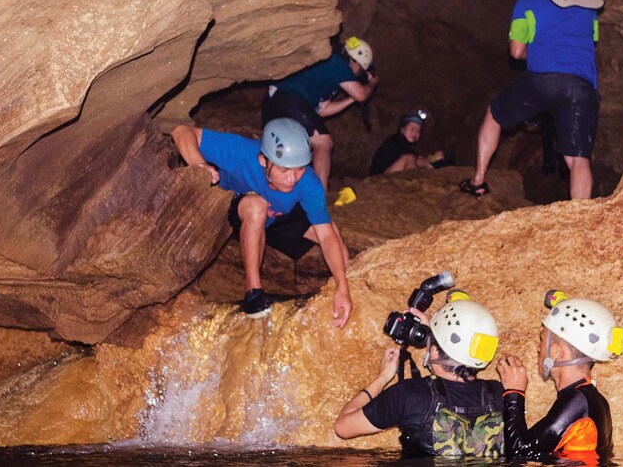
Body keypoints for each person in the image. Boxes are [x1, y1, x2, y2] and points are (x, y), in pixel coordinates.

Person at [170, 118, 352, 326]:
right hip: (236, 208)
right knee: (257, 206)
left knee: (333, 230)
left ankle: (347, 287)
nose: (292, 178)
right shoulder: (242, 153)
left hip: (277, 217)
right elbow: (181, 131)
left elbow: (326, 235)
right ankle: (253, 293)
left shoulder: (308, 182)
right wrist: (199, 165)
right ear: (264, 160)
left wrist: (342, 285)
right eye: (284, 170)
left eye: (299, 168)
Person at [459, 0, 603, 200]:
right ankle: (581, 220)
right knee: (578, 157)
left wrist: (536, 52)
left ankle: (478, 181)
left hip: (542, 80)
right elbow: (590, 42)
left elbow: (516, 51)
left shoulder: (527, 3)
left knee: (494, 114)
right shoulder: (587, 7)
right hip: (581, 86)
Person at [334, 292, 505, 458]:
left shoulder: (409, 395)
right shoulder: (499, 393)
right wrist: (436, 339)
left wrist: (382, 378)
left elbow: (343, 427)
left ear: (436, 352)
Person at [496, 290, 623, 463]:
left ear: (557, 352)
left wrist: (514, 393)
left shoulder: (577, 401)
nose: (538, 349)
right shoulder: (594, 399)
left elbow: (519, 451)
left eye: (542, 340)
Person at [262, 36, 379, 191]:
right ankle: (319, 195)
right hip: (288, 99)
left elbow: (322, 110)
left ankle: (275, 188)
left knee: (291, 148)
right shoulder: (339, 63)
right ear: (357, 64)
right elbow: (362, 94)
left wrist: (351, 99)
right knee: (323, 142)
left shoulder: (331, 71)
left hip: (276, 102)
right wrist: (371, 84)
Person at [368, 110, 446, 175]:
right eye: (412, 129)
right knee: (409, 158)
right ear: (402, 129)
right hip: (378, 179)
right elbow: (414, 161)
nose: (415, 133)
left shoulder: (407, 148)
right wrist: (433, 158)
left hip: (390, 177)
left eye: (418, 131)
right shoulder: (395, 140)